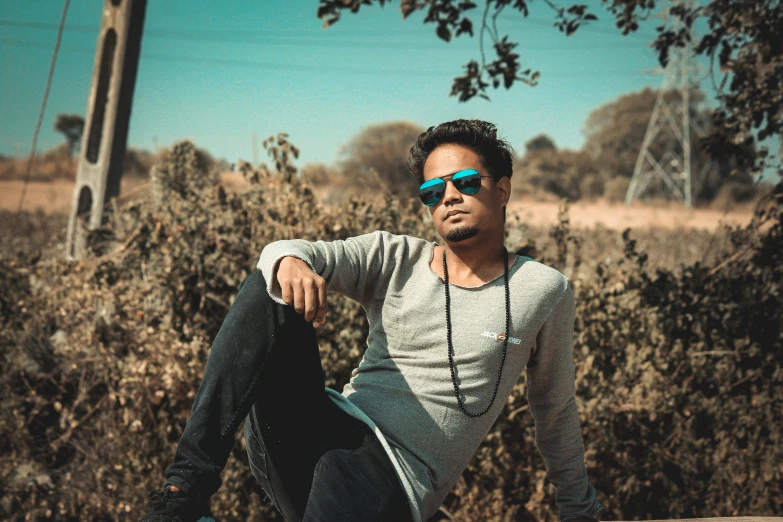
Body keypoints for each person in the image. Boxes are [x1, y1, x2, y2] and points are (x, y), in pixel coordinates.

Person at [140, 119, 605, 522]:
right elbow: (284, 252)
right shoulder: (395, 256)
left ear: (501, 188)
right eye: (432, 191)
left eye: (464, 182)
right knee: (269, 287)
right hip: (319, 432)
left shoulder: (542, 289)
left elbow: (555, 409)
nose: (448, 198)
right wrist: (289, 262)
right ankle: (183, 497)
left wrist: (578, 511)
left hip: (394, 479)